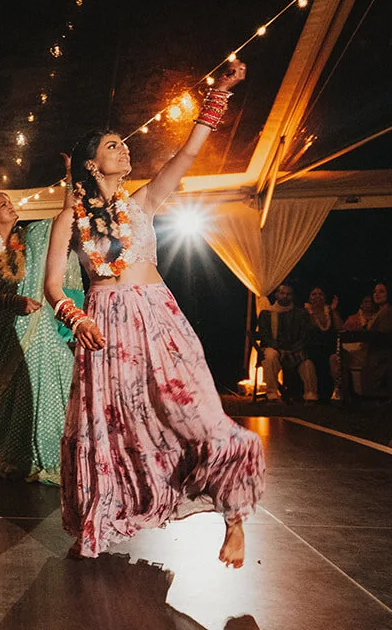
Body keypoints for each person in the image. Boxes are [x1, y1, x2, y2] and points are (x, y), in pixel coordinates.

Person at [45, 65, 265, 567]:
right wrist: (75, 318)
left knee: (196, 413)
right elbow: (53, 284)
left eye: (123, 144)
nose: (124, 149)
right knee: (112, 426)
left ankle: (235, 518)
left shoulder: (143, 201)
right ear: (90, 164)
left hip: (157, 318)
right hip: (104, 325)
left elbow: (187, 153)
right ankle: (100, 520)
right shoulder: (70, 219)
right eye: (112, 146)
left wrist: (217, 97)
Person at [0, 191, 82, 485]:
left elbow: (61, 222)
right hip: (5, 325)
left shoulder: (29, 241)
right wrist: (10, 301)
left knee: (60, 374)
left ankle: (57, 455)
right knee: (20, 391)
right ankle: (18, 456)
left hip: (38, 323)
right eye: (3, 205)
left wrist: (70, 181)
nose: (11, 206)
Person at [256, 283, 311, 402]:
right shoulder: (266, 313)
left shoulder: (300, 314)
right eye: (282, 293)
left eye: (288, 294)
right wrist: (279, 348)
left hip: (294, 348)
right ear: (276, 295)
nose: (285, 296)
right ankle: (272, 394)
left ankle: (310, 395)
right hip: (273, 347)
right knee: (270, 356)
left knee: (307, 362)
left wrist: (293, 349)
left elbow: (304, 335)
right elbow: (264, 335)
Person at [302, 288, 341, 400]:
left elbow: (340, 328)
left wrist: (333, 310)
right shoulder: (305, 312)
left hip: (330, 348)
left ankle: (335, 393)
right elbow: (306, 331)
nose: (317, 296)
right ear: (309, 298)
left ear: (325, 297)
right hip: (312, 348)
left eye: (320, 294)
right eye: (314, 294)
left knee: (333, 358)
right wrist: (311, 314)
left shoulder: (330, 311)